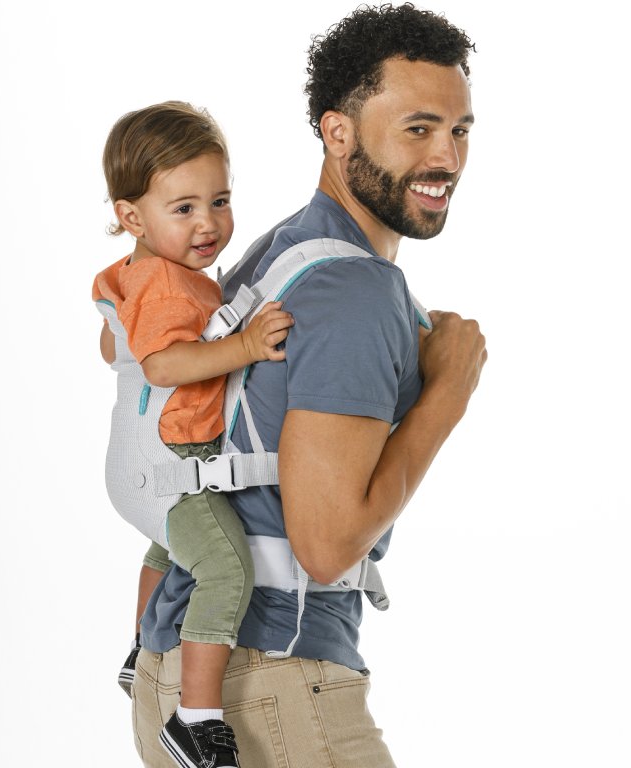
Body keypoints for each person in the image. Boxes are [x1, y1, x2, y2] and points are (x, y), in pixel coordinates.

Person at [130, 5, 489, 766]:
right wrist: (447, 396)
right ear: (339, 133)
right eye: (418, 129)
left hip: (178, 675)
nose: (446, 157)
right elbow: (325, 547)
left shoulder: (280, 252)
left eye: (460, 130)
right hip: (275, 680)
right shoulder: (355, 289)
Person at [93, 101, 294, 768]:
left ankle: (142, 652)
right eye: (184, 208)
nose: (208, 223)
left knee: (170, 550)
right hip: (172, 469)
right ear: (132, 216)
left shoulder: (136, 275)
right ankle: (197, 719)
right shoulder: (169, 287)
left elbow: (113, 349)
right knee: (226, 568)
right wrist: (244, 347)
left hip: (136, 471)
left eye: (220, 201)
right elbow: (162, 365)